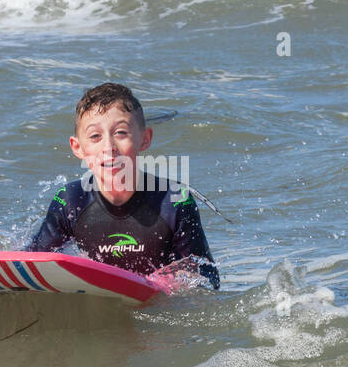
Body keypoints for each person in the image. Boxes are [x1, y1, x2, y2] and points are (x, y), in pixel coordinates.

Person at [25, 82, 220, 289]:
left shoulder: (174, 200)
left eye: (121, 133)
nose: (109, 148)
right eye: (95, 136)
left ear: (145, 139)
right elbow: (32, 261)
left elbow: (209, 278)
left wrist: (166, 284)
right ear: (78, 147)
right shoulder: (71, 201)